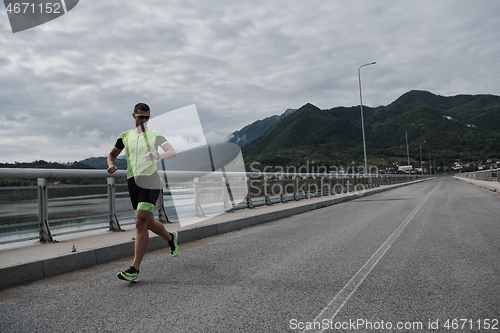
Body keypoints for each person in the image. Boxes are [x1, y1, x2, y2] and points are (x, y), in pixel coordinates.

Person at [107, 102, 179, 282]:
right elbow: (111, 155)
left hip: (150, 180)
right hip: (133, 182)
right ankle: (171, 238)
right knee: (147, 223)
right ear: (134, 116)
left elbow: (172, 152)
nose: (145, 120)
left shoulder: (155, 135)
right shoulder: (124, 136)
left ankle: (134, 268)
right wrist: (111, 165)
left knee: (140, 221)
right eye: (141, 116)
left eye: (148, 117)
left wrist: (157, 156)